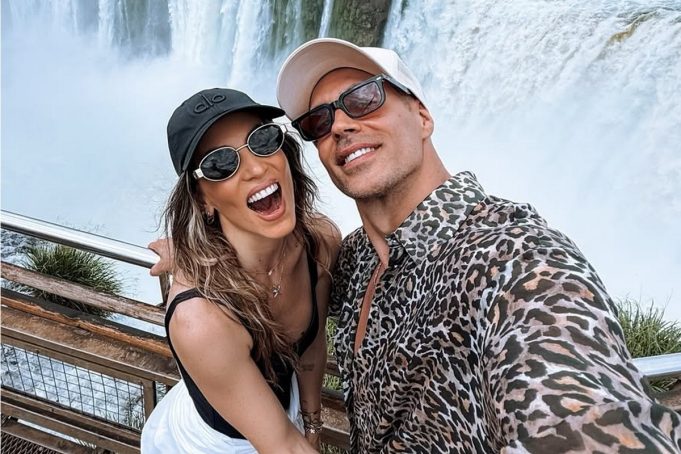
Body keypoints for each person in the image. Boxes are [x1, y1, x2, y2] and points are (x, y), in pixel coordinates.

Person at [276, 38, 681, 453]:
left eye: (364, 99)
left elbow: (579, 407)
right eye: (318, 122)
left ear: (423, 117)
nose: (339, 126)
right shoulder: (356, 258)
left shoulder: (514, 258)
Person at [140, 88, 340, 454]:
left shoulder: (319, 244)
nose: (257, 168)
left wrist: (312, 422)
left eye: (263, 140)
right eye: (220, 163)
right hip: (216, 446)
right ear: (202, 199)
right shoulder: (200, 320)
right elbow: (285, 447)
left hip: (279, 413)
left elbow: (311, 345)